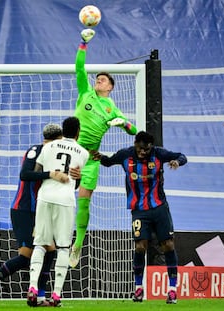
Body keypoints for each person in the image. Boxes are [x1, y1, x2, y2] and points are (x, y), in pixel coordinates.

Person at [0, 123, 80, 307]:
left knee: (50, 251)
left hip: (40, 209)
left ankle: (39, 297)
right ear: (59, 139)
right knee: (27, 256)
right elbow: (25, 174)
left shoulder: (56, 156)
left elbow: (70, 184)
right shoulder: (36, 151)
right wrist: (51, 174)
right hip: (24, 209)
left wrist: (75, 178)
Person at [69, 28, 138, 268]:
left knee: (84, 200)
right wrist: (83, 44)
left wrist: (125, 123)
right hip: (70, 152)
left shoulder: (112, 109)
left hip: (91, 158)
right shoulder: (86, 92)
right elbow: (79, 68)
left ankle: (77, 244)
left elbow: (135, 131)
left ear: (110, 87)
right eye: (97, 78)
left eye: (103, 79)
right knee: (58, 193)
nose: (98, 80)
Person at [93, 131, 187, 304]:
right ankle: (138, 289)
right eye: (141, 148)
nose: (144, 152)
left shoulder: (159, 153)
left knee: (168, 245)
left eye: (147, 149)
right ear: (135, 144)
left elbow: (182, 156)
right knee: (140, 247)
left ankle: (173, 290)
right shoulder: (125, 155)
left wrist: (177, 162)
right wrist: (99, 156)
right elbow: (108, 162)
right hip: (138, 211)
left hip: (159, 208)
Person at [27, 116, 89, 307]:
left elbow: (36, 172)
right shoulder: (83, 153)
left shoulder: (48, 147)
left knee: (39, 244)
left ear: (63, 130)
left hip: (45, 196)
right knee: (63, 247)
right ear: (78, 132)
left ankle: (32, 287)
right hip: (65, 200)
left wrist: (51, 173)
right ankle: (56, 294)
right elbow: (76, 182)